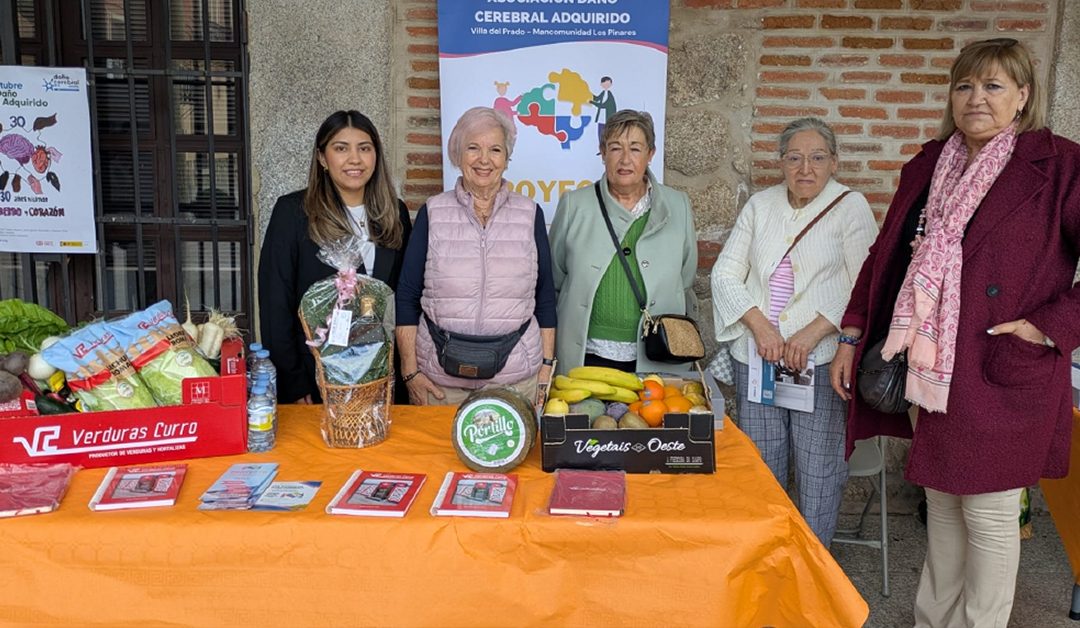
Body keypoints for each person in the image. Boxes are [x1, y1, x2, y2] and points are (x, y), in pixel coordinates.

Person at [829, 38, 1080, 627]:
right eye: (965, 85)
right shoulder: (928, 164)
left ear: (1023, 95)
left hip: (1002, 368)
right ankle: (932, 621)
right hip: (930, 365)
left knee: (991, 514)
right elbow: (884, 256)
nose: (976, 98)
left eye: (993, 86)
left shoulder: (1061, 165)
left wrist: (1045, 328)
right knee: (942, 504)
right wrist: (853, 330)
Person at [711, 117, 878, 547]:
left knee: (818, 467)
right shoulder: (761, 206)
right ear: (781, 162)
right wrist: (762, 328)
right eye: (795, 157)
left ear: (834, 162)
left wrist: (811, 333)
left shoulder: (850, 206)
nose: (806, 168)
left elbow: (865, 281)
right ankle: (765, 554)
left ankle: (813, 564)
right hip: (760, 359)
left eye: (818, 157)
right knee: (762, 464)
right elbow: (726, 275)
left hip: (819, 361)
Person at [395, 106, 556, 405]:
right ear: (458, 154)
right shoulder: (433, 211)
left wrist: (546, 368)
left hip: (515, 383)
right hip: (441, 386)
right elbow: (406, 295)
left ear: (506, 158)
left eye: (495, 149)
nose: (484, 160)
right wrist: (410, 372)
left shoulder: (530, 213)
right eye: (473, 148)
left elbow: (545, 297)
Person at [259, 110, 412, 404]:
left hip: (380, 381)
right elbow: (275, 302)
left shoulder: (395, 213)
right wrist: (294, 382)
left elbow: (402, 299)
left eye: (364, 148)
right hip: (316, 381)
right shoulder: (293, 213)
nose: (355, 159)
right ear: (322, 158)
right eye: (341, 148)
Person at [550, 109, 698, 374]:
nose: (625, 159)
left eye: (636, 149)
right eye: (615, 148)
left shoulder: (678, 205)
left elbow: (684, 277)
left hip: (656, 352)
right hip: (588, 353)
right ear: (603, 153)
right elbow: (556, 277)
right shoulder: (575, 205)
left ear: (650, 154)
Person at [590, 76, 616, 150]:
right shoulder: (603, 93)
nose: (606, 85)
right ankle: (601, 149)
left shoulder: (610, 95)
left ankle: (608, 148)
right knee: (600, 132)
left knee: (608, 133)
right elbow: (597, 98)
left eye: (608, 83)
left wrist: (593, 103)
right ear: (601, 84)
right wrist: (588, 93)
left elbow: (605, 105)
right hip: (601, 116)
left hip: (608, 117)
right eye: (605, 83)